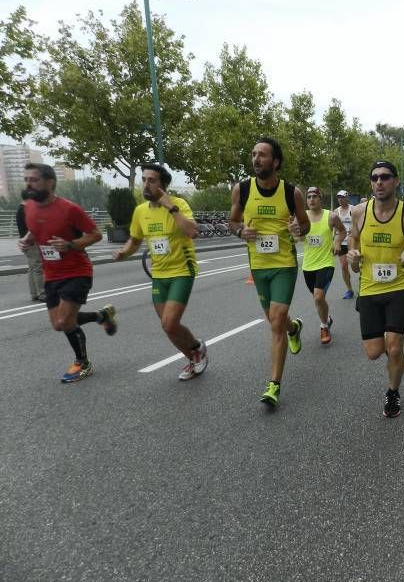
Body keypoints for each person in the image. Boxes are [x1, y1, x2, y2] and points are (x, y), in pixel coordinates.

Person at [347, 161, 404, 418]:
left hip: (398, 287)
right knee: (374, 352)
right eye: (375, 177)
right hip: (368, 288)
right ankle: (394, 350)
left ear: (396, 181)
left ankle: (393, 391)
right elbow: (353, 241)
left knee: (395, 347)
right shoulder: (359, 212)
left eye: (385, 177)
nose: (379, 182)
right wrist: (353, 256)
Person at [17, 163, 117, 383]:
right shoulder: (29, 207)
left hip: (77, 271)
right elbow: (36, 228)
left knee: (65, 321)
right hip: (51, 273)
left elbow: (95, 234)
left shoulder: (69, 209)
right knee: (58, 324)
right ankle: (102, 316)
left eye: (34, 180)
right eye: (26, 180)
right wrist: (27, 239)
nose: (28, 184)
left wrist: (70, 245)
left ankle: (83, 363)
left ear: (50, 182)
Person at [229, 137, 310, 406]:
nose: (256, 159)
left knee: (275, 320)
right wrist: (241, 231)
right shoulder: (241, 189)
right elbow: (232, 221)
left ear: (275, 161)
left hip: (284, 265)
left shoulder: (291, 192)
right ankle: (294, 327)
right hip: (259, 266)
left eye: (262, 155)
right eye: (253, 154)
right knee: (276, 320)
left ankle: (274, 385)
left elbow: (305, 224)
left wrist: (299, 229)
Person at [112, 163, 207, 381]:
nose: (145, 184)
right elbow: (135, 240)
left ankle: (197, 349)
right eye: (143, 179)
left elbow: (193, 231)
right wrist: (123, 252)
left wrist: (171, 207)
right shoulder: (140, 211)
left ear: (163, 185)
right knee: (168, 327)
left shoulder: (179, 204)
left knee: (169, 323)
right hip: (159, 274)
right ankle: (194, 355)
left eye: (151, 180)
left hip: (182, 270)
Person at [301, 186, 346, 345]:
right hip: (308, 266)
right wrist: (294, 232)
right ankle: (327, 319)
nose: (311, 199)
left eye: (315, 196)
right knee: (319, 299)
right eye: (309, 197)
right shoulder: (302, 217)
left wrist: (337, 241)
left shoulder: (331, 216)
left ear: (320, 198)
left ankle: (323, 326)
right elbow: (297, 237)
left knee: (318, 297)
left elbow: (342, 232)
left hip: (326, 263)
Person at [16, 191, 45, 301]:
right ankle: (42, 293)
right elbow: (32, 227)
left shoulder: (20, 209)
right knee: (38, 267)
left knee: (32, 268)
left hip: (26, 243)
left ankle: (34, 293)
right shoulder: (26, 210)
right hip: (31, 242)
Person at [333, 190, 356, 299]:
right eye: (339, 197)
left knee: (356, 266)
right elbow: (333, 227)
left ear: (347, 198)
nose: (340, 199)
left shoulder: (353, 210)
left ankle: (364, 287)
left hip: (353, 241)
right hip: (341, 242)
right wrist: (333, 240)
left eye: (342, 197)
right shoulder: (336, 211)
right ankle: (349, 289)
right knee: (343, 266)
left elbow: (359, 223)